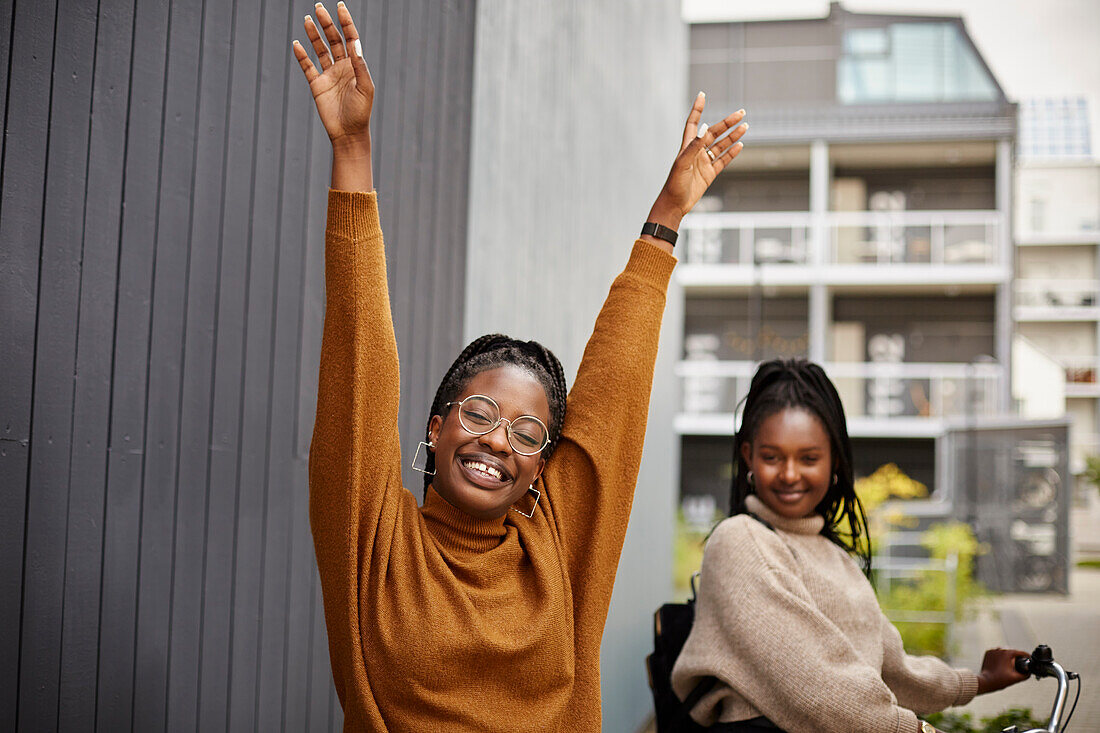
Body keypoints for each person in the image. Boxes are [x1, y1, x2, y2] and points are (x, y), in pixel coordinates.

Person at [292, 3, 748, 731]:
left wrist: (666, 214)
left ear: (541, 466)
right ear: (436, 430)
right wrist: (352, 152)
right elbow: (358, 362)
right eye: (479, 414)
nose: (500, 440)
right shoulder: (376, 535)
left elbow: (614, 398)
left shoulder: (557, 550)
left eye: (529, 431)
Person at [670, 359, 1029, 733]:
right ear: (748, 456)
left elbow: (892, 669)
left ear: (835, 460)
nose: (790, 474)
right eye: (771, 457)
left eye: (808, 458)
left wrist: (979, 680)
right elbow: (819, 688)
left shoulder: (836, 558)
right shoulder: (740, 541)